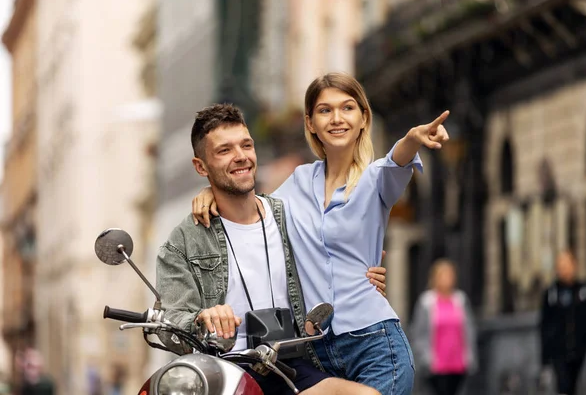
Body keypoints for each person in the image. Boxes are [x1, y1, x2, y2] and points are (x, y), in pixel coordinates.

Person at [192, 72, 450, 394]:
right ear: (310, 122)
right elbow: (249, 208)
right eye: (325, 110)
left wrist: (413, 138)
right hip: (316, 352)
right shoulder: (298, 182)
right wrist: (210, 192)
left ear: (363, 118)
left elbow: (397, 160)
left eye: (348, 108)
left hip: (374, 344)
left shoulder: (375, 181)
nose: (337, 118)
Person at [156, 103, 380, 395]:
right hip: (224, 373)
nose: (240, 157)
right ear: (201, 166)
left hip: (288, 363)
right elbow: (172, 322)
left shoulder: (291, 216)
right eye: (224, 151)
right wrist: (203, 320)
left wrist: (367, 275)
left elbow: (336, 259)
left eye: (246, 145)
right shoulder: (181, 244)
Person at [410, 259, 477, 395]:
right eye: (443, 275)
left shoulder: (460, 300)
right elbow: (418, 333)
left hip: (458, 364)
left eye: (450, 275)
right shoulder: (426, 302)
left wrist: (470, 357)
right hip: (436, 366)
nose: (448, 279)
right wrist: (425, 358)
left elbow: (469, 330)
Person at [539, 250, 586, 395]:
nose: (563, 270)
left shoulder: (584, 291)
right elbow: (544, 325)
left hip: (582, 350)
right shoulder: (551, 293)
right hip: (558, 351)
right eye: (560, 266)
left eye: (566, 265)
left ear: (574, 265)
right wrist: (545, 357)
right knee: (563, 386)